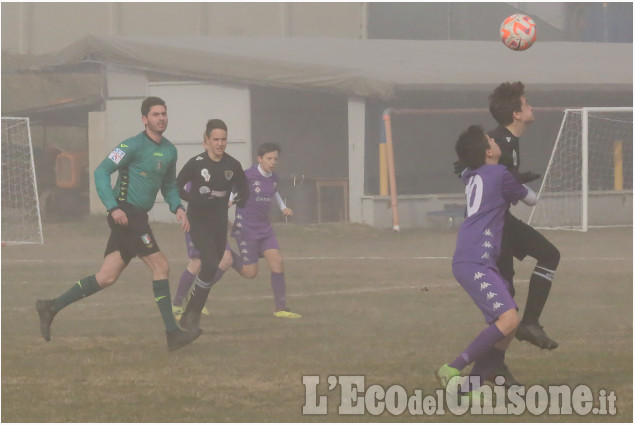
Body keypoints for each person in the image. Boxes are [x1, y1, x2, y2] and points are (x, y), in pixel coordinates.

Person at [35, 96, 201, 351]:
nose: (161, 118)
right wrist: (113, 207)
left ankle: (50, 306)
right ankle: (172, 333)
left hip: (138, 216)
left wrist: (177, 206)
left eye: (164, 113)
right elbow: (101, 171)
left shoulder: (170, 150)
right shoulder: (131, 145)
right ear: (144, 119)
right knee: (161, 266)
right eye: (156, 114)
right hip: (126, 214)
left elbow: (168, 185)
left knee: (106, 277)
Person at [436, 124, 538, 398]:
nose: (494, 140)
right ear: (488, 151)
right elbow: (532, 200)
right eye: (490, 139)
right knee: (507, 321)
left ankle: (470, 388)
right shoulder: (499, 173)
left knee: (508, 326)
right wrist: (519, 181)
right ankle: (451, 368)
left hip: (474, 256)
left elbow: (471, 169)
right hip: (474, 259)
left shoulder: (473, 173)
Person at [487, 82, 560, 350]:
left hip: (503, 221)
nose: (531, 107)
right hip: (492, 227)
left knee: (550, 254)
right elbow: (475, 173)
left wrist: (515, 180)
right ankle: (489, 364)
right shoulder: (498, 141)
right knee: (505, 303)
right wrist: (516, 184)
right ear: (516, 114)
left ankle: (530, 323)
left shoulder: (510, 141)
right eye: (526, 103)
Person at [201, 142, 301, 319]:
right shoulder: (247, 175)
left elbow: (275, 192)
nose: (273, 162)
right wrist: (229, 201)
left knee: (277, 261)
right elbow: (233, 188)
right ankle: (224, 262)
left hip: (265, 228)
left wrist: (284, 207)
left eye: (275, 159)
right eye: (269, 158)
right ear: (259, 159)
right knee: (250, 273)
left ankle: (281, 309)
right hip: (246, 228)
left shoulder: (273, 177)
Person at [176, 119, 249, 332]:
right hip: (198, 221)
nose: (220, 143)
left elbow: (244, 193)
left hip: (218, 223)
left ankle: (190, 312)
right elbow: (176, 186)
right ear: (206, 141)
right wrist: (191, 199)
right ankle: (194, 315)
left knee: (211, 266)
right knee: (208, 262)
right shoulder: (196, 163)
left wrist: (233, 201)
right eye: (215, 139)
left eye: (223, 139)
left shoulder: (233, 165)